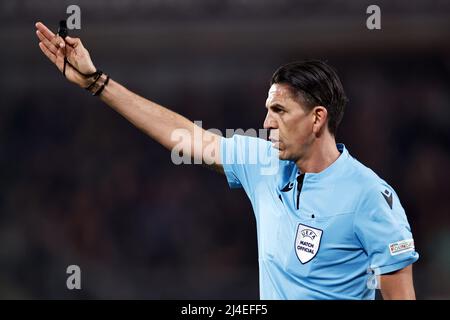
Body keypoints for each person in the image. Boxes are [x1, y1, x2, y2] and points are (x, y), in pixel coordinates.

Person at [35, 21, 419, 300]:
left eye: (280, 111)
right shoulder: (264, 163)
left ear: (317, 118)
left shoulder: (369, 196)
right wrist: (96, 83)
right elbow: (186, 137)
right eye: (268, 109)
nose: (267, 122)